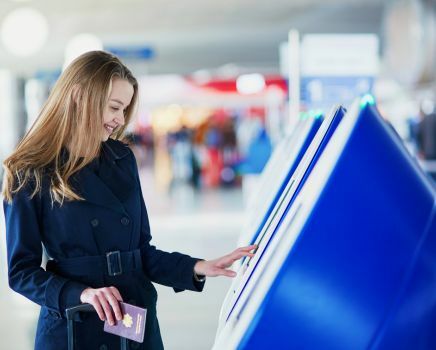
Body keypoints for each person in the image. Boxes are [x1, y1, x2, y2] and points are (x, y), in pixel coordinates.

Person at [2, 50, 256, 350]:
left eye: (124, 110)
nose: (119, 120)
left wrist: (198, 266)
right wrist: (81, 294)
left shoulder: (121, 159)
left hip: (133, 318)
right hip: (74, 326)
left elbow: (140, 253)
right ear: (79, 96)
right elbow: (22, 273)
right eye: (114, 107)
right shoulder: (30, 171)